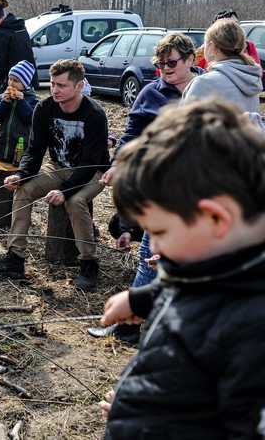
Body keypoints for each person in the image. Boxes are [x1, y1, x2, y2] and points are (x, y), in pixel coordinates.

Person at [98, 99, 265, 438]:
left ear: (216, 219)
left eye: (160, 232)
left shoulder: (254, 334)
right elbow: (191, 291)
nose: (155, 247)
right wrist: (141, 299)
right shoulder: (213, 264)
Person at [89, 32, 202, 344]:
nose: (165, 68)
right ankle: (129, 326)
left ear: (191, 59)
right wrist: (116, 164)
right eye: (160, 63)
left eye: (172, 62)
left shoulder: (207, 88)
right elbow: (131, 134)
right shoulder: (151, 93)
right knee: (150, 254)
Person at [0, 59, 110, 290]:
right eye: (53, 84)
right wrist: (21, 174)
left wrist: (63, 191)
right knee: (24, 189)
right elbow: (34, 151)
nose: (55, 90)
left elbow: (90, 163)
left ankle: (89, 263)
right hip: (57, 167)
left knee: (75, 201)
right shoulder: (44, 108)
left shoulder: (94, 114)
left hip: (92, 172)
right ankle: (15, 257)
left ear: (79, 85)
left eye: (61, 85)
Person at [182, 18, 263, 113]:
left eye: (205, 44)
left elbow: (184, 125)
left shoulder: (204, 83)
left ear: (212, 47)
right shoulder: (251, 80)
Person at [0, 0, 39, 93]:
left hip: (13, 79)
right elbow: (16, 46)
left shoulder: (0, 32)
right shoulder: (19, 26)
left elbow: (0, 61)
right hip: (28, 77)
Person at [0, 59, 39, 165]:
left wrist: (22, 102)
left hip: (20, 147)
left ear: (25, 83)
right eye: (10, 79)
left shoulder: (31, 99)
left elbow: (30, 119)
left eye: (16, 80)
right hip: (1, 146)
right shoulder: (3, 97)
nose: (11, 83)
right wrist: (4, 103)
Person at [195, 8, 260, 69]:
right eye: (227, 26)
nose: (233, 28)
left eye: (236, 23)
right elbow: (198, 70)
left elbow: (257, 71)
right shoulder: (206, 49)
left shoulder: (248, 45)